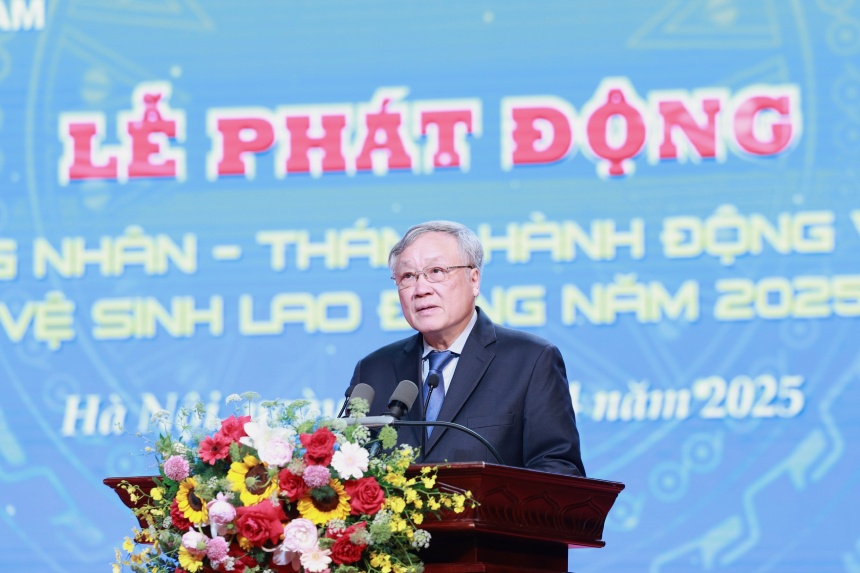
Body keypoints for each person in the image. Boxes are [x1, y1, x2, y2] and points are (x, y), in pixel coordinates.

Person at [348, 220, 585, 476]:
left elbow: (559, 470)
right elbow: (348, 469)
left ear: (474, 280)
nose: (421, 289)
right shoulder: (374, 371)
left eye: (436, 271)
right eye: (407, 277)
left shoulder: (531, 361)